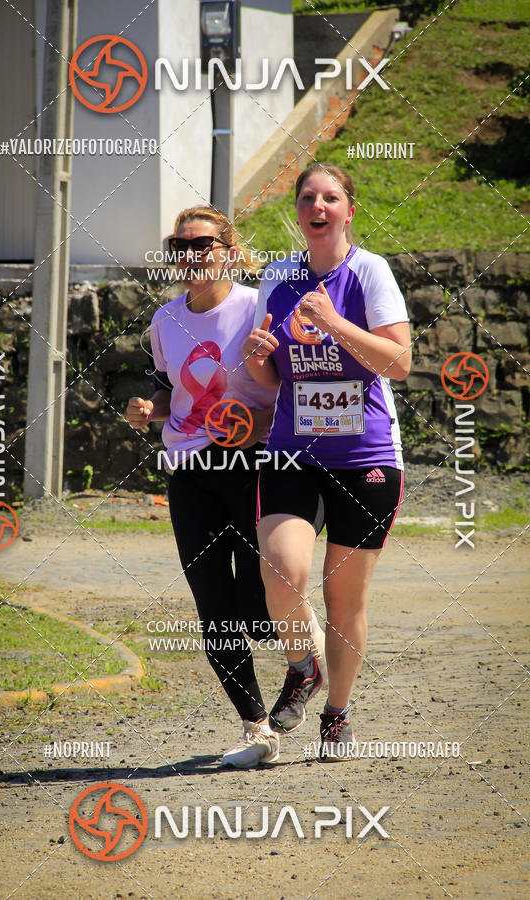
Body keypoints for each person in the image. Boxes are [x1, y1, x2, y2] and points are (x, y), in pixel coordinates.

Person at [126, 205, 325, 768]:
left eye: (202, 243)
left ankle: (305, 663)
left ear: (230, 250)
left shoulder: (257, 306)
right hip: (189, 470)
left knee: (258, 601)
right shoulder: (165, 321)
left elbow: (293, 381)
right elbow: (171, 394)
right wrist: (150, 409)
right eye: (180, 246)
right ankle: (256, 727)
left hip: (254, 464)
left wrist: (259, 425)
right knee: (212, 603)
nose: (191, 255)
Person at [242, 163, 411, 760]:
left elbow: (399, 362)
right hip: (293, 450)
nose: (318, 206)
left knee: (344, 601)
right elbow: (267, 377)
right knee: (281, 572)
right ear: (298, 211)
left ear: (348, 211)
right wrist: (257, 354)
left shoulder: (369, 272)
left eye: (330, 198)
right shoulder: (278, 278)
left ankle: (337, 714)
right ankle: (300, 666)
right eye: (308, 197)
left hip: (365, 455)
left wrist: (336, 323)